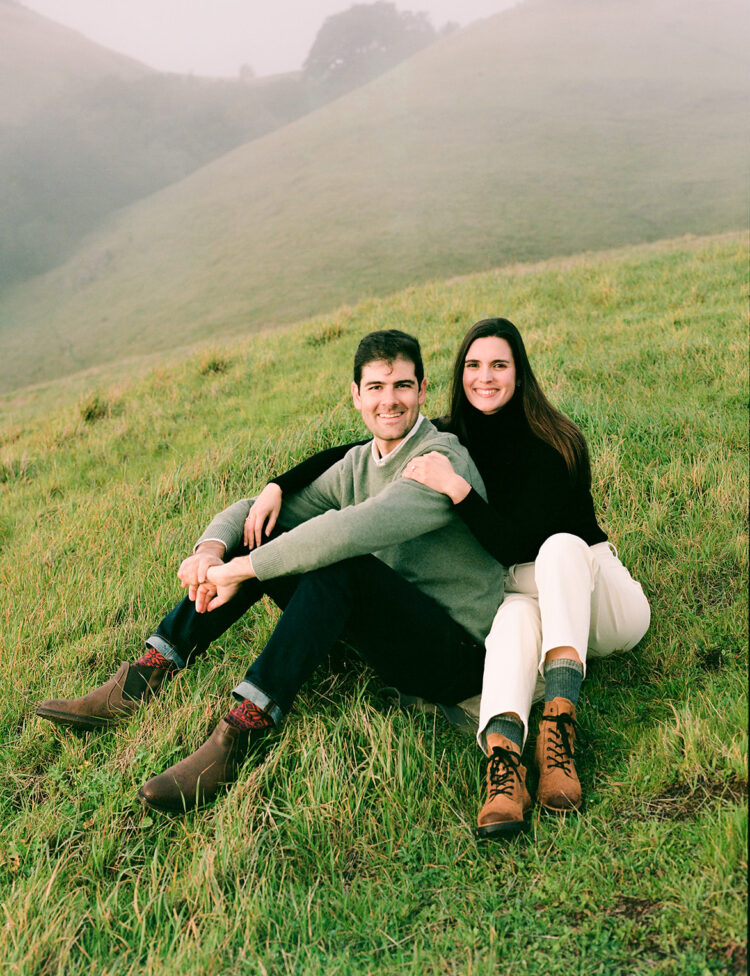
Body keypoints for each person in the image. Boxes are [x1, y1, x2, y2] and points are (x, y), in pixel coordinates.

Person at [37, 330, 504, 813]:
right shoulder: (358, 463)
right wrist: (212, 551)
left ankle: (242, 729)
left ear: (423, 390)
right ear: (356, 396)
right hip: (393, 635)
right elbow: (258, 512)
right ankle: (147, 673)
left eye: (403, 386)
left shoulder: (440, 460)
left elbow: (349, 532)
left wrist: (242, 570)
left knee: (336, 566)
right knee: (264, 527)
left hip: (457, 656)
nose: (391, 401)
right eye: (376, 388)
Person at [251, 318, 651, 837]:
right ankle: (504, 765)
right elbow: (354, 449)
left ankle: (559, 729)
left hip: (595, 597)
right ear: (459, 374)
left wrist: (458, 491)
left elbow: (516, 543)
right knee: (510, 622)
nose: (485, 378)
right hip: (521, 592)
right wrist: (278, 484)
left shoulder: (554, 442)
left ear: (520, 373)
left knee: (558, 549)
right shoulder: (453, 434)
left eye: (499, 366)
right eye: (473, 366)